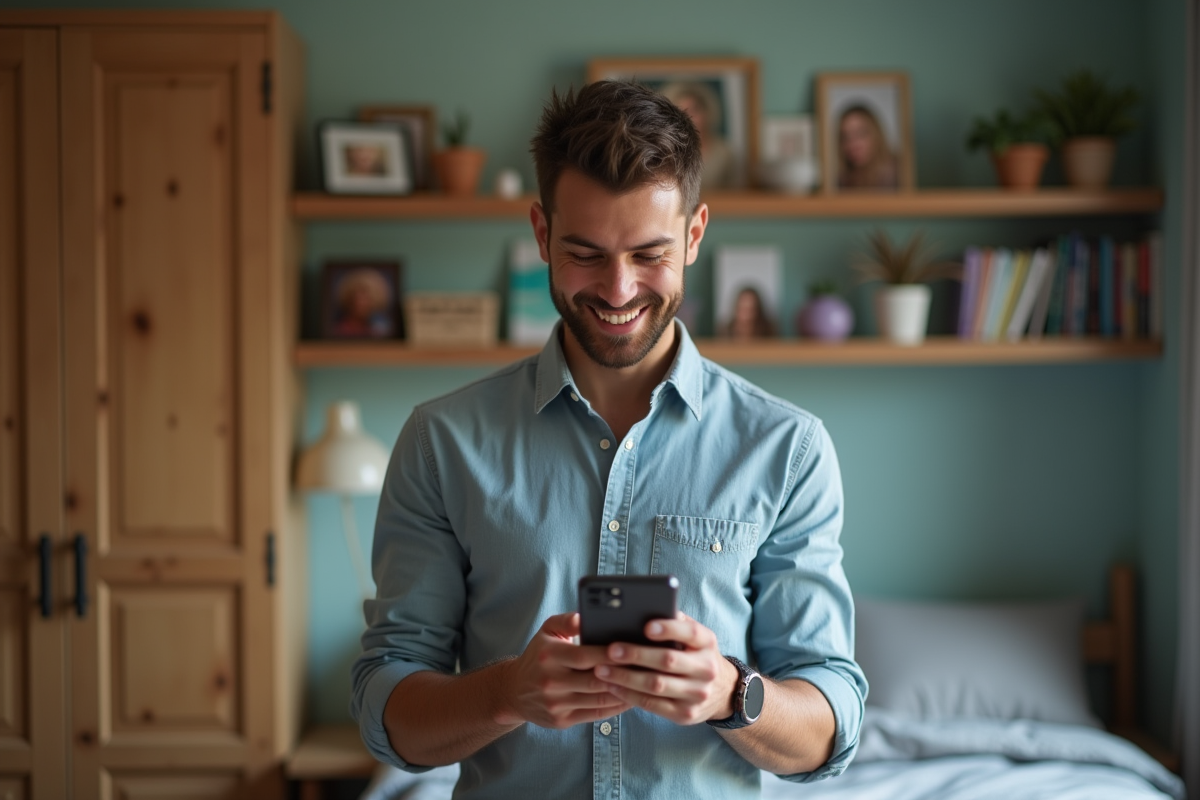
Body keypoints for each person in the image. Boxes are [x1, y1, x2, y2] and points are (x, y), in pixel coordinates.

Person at [350, 79, 865, 799]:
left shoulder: (789, 450)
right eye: (586, 254)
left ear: (694, 235)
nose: (618, 291)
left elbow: (831, 724)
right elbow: (388, 710)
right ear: (541, 233)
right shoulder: (441, 443)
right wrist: (505, 694)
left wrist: (728, 692)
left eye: (649, 254)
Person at [659, 80, 736, 189]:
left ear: (707, 112)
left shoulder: (725, 153)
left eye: (694, 110)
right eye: (682, 111)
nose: (689, 117)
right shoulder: (664, 152)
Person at [836, 104, 900, 190]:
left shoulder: (899, 173)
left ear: (876, 134)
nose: (853, 143)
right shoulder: (841, 181)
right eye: (845, 137)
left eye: (860, 133)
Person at [332, 268, 394, 337]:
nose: (360, 302)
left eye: (365, 297)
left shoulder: (381, 327)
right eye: (356, 297)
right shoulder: (341, 327)